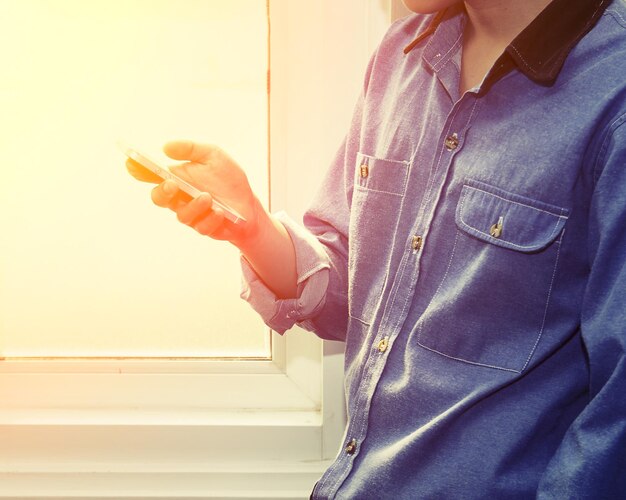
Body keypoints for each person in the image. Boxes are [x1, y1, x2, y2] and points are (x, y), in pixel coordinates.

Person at [127, 0, 626, 497]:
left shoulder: (613, 91)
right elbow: (359, 292)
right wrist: (252, 228)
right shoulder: (399, 54)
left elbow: (614, 423)